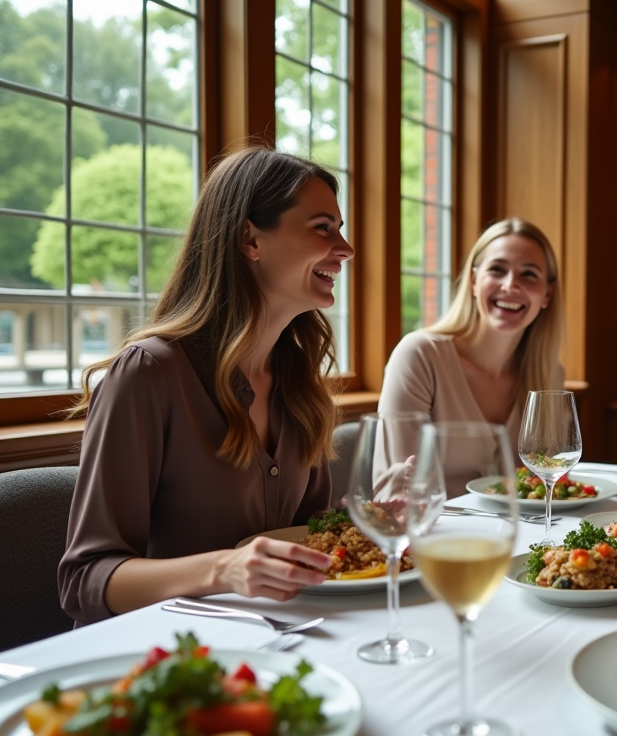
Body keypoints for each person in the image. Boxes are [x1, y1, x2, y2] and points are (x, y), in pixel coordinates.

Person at [59, 146, 352, 625]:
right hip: (164, 656)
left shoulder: (300, 383)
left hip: (279, 638)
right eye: (323, 228)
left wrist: (369, 525)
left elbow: (308, 537)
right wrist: (226, 569)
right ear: (249, 240)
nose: (345, 248)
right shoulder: (148, 373)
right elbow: (85, 580)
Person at [378, 218, 564, 496]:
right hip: (429, 534)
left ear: (547, 294)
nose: (511, 285)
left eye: (529, 274)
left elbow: (548, 488)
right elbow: (399, 493)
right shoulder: (419, 356)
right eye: (497, 270)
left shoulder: (550, 375)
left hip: (515, 534)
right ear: (474, 281)